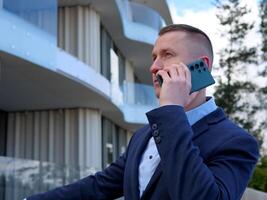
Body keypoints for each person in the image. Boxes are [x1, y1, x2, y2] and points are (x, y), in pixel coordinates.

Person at [26, 24, 259, 200]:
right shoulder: (143, 135)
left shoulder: (237, 142)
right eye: (154, 57)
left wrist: (171, 109)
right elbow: (98, 186)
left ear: (202, 66)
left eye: (167, 55)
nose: (154, 66)